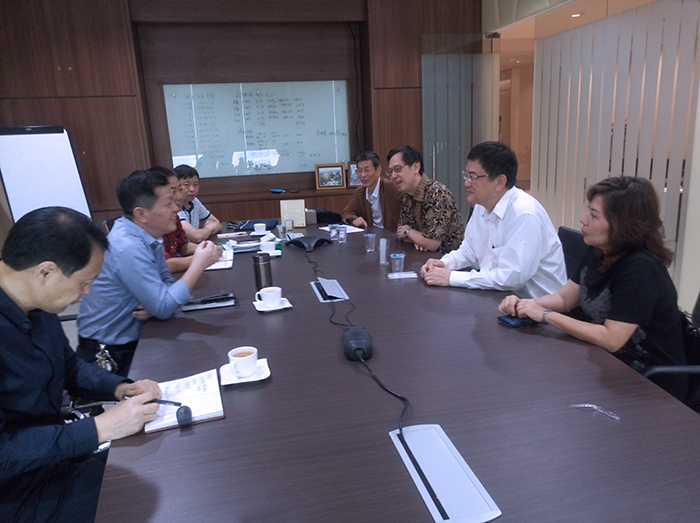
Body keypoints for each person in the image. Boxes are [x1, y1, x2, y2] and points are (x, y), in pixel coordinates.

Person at [0, 207, 162, 522]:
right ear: (45, 272)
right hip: (15, 491)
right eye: (84, 282)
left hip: (53, 458)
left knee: (154, 464)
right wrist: (101, 427)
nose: (86, 293)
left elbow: (69, 366)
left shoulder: (37, 301)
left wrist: (120, 387)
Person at [499, 176, 688, 401]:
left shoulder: (640, 268)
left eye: (594, 215)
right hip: (606, 364)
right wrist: (526, 304)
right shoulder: (600, 249)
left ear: (622, 225)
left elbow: (612, 339)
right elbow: (565, 299)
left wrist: (546, 315)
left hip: (651, 384)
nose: (584, 220)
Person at [77, 169, 221, 376]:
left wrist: (160, 303)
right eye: (168, 203)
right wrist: (198, 264)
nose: (176, 208)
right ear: (141, 214)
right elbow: (164, 306)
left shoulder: (148, 234)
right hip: (111, 354)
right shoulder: (129, 246)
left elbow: (165, 287)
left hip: (140, 334)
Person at [421, 141, 566, 298]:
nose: (466, 183)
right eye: (466, 175)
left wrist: (452, 277)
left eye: (473, 177)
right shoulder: (482, 204)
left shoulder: (524, 214)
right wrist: (444, 264)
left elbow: (511, 278)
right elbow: (469, 251)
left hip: (538, 306)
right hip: (500, 297)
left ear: (500, 182)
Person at [389, 145, 463, 253]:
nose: (393, 176)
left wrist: (410, 232)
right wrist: (418, 239)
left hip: (447, 258)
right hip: (422, 256)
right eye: (390, 171)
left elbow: (432, 243)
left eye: (397, 169)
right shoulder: (407, 196)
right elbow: (400, 232)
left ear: (416, 167)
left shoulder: (437, 193)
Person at [152, 166, 223, 273]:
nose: (180, 196)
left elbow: (182, 245)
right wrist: (202, 258)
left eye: (180, 189)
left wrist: (204, 249)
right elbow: (164, 265)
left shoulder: (174, 213)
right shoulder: (150, 223)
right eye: (173, 191)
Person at [341, 151, 402, 231]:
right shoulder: (360, 192)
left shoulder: (392, 188)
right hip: (371, 235)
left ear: (378, 170)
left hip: (392, 235)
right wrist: (354, 219)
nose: (362, 175)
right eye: (359, 170)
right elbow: (346, 212)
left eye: (367, 170)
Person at [174, 164, 222, 242]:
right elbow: (197, 236)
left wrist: (203, 232)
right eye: (186, 185)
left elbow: (217, 223)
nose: (192, 189)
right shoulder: (174, 207)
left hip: (192, 247)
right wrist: (209, 228)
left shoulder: (194, 201)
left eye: (195, 184)